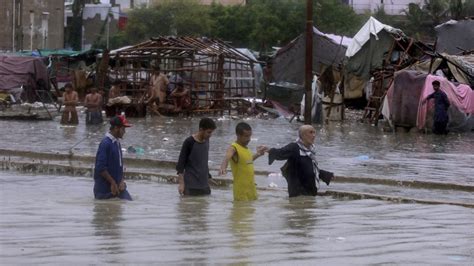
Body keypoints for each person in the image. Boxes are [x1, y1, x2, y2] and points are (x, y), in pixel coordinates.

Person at [267, 125, 333, 197]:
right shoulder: (294, 147)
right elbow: (280, 153)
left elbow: (308, 168)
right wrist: (269, 150)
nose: (313, 135)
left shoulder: (311, 151)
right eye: (311, 133)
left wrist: (326, 175)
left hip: (309, 192)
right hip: (298, 193)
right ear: (303, 135)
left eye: (314, 133)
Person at [219, 122, 267, 201]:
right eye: (246, 136)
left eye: (250, 136)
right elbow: (227, 155)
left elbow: (248, 161)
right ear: (238, 135)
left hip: (251, 190)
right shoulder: (234, 147)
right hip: (241, 192)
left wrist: (258, 154)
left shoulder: (246, 148)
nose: (249, 139)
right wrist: (223, 165)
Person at [93, 115, 132, 200]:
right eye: (123, 129)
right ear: (116, 128)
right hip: (104, 190)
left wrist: (121, 180)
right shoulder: (106, 143)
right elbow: (100, 167)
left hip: (118, 188)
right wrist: (112, 182)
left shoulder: (116, 142)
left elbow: (120, 165)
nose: (124, 132)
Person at [176, 118, 217, 196]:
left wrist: (209, 177)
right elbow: (180, 165)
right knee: (190, 206)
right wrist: (181, 184)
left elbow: (204, 161)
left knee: (204, 206)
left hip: (204, 185)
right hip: (190, 185)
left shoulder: (207, 140)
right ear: (201, 129)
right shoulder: (189, 142)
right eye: (209, 132)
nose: (210, 135)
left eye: (212, 132)